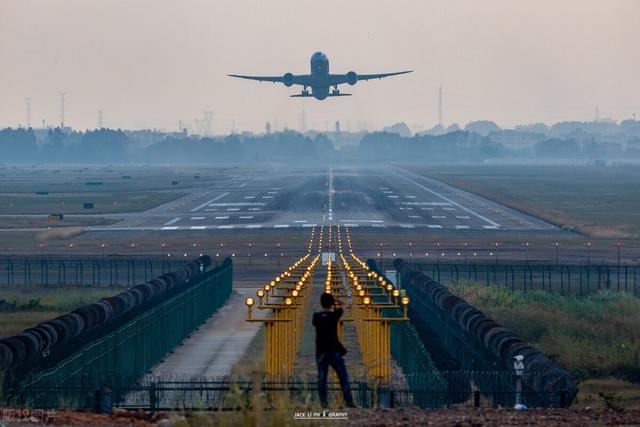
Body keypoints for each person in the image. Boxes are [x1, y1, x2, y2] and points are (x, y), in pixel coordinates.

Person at [312, 292, 355, 408]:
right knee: (343, 377)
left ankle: (324, 404)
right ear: (331, 304)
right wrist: (336, 300)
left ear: (321, 303)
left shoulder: (316, 317)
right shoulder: (333, 316)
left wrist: (330, 301)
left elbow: (316, 321)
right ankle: (349, 402)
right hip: (334, 351)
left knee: (322, 379)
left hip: (321, 352)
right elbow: (343, 305)